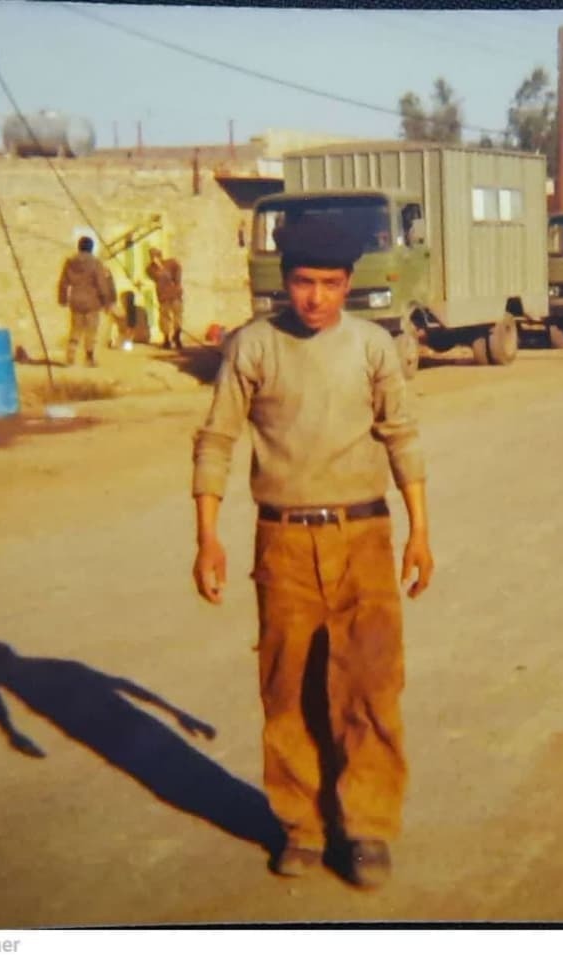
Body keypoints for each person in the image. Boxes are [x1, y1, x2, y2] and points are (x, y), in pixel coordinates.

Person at [190, 217, 434, 889]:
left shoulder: (373, 346)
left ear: (349, 283)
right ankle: (302, 824)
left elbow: (402, 435)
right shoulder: (252, 347)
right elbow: (216, 439)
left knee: (370, 685)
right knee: (288, 686)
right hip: (284, 540)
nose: (316, 297)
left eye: (330, 283)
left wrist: (419, 530)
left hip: (363, 536)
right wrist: (207, 536)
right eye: (304, 282)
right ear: (285, 280)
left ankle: (367, 827)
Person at [57, 236, 116, 367]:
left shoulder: (70, 262)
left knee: (75, 329)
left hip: (76, 300)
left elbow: (63, 282)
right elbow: (101, 284)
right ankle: (89, 358)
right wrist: (106, 301)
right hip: (92, 301)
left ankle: (70, 355)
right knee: (91, 330)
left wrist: (63, 299)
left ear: (79, 247)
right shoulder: (95, 263)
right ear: (91, 248)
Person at [145, 247, 184, 350]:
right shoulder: (150, 269)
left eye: (156, 255)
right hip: (163, 296)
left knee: (178, 317)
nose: (154, 258)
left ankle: (177, 336)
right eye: (152, 256)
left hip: (175, 295)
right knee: (164, 318)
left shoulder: (171, 263)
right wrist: (159, 266)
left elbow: (178, 268)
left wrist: (177, 282)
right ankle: (166, 339)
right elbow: (157, 276)